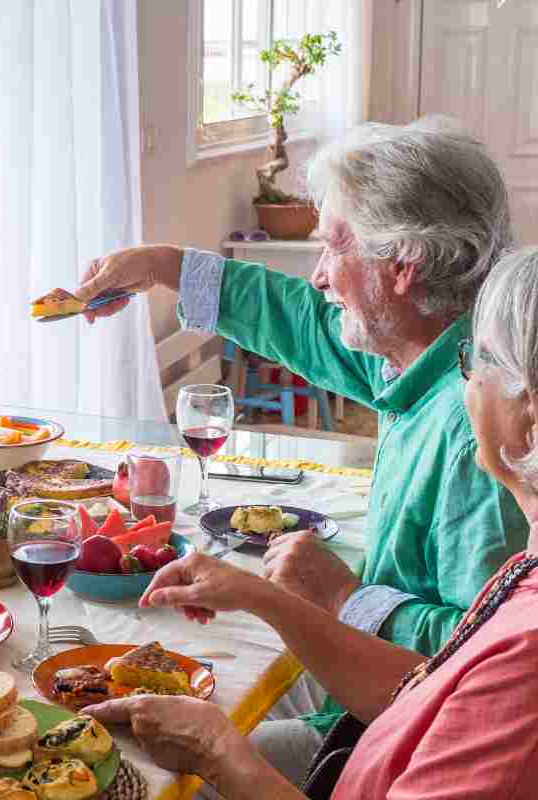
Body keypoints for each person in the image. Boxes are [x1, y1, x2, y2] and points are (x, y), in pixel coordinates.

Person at [74, 120, 528, 783]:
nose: (316, 277)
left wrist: (345, 595)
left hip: (391, 735)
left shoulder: (475, 435)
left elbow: (475, 663)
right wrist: (163, 264)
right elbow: (303, 321)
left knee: (134, 766)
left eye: (330, 248)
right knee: (200, 664)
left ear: (401, 265)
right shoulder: (425, 350)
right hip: (373, 683)